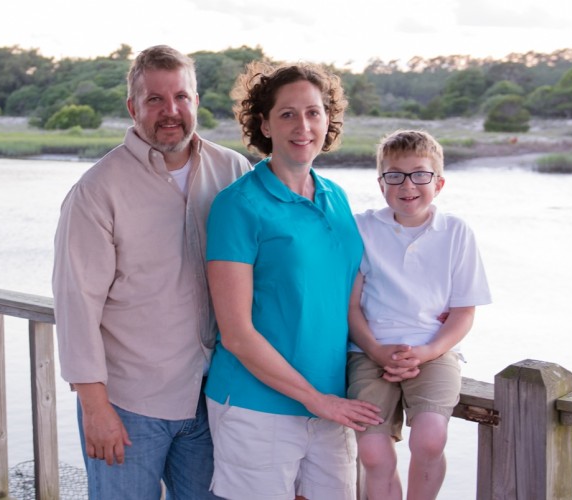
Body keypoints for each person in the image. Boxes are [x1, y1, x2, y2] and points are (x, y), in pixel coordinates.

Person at [51, 45, 251, 499]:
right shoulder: (96, 192)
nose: (170, 111)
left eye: (181, 97)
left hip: (214, 397)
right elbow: (76, 304)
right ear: (132, 107)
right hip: (129, 404)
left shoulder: (233, 171)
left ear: (196, 102)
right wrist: (95, 407)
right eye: (155, 99)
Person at [203, 61, 383, 500]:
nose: (303, 125)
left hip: (332, 405)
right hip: (255, 409)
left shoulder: (336, 198)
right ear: (263, 124)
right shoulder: (237, 205)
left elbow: (346, 297)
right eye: (287, 114)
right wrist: (314, 399)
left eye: (313, 112)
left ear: (327, 120)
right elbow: (237, 334)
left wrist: (409, 342)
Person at [347, 129, 492, 499]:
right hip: (369, 351)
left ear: (438, 183)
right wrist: (378, 351)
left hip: (434, 351)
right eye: (394, 175)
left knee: (429, 439)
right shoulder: (362, 228)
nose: (407, 184)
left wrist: (427, 352)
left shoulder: (456, 232)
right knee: (373, 452)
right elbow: (350, 307)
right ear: (381, 184)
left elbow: (463, 312)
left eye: (420, 174)